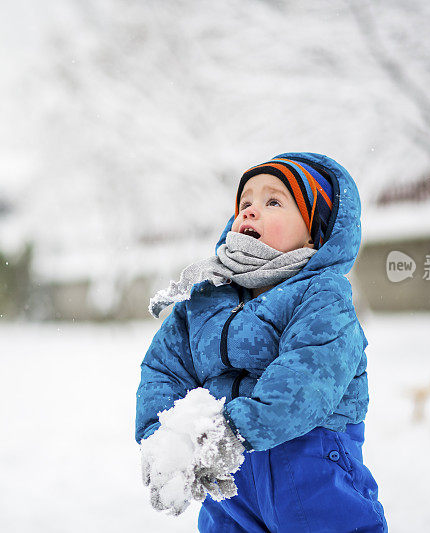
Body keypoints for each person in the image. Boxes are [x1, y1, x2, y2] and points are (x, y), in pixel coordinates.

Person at [135, 152, 387, 532]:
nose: (251, 211)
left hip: (309, 466)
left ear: (314, 233)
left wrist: (234, 431)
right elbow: (163, 367)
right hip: (229, 483)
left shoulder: (321, 296)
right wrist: (163, 442)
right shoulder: (207, 298)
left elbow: (308, 378)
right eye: (245, 203)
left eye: (273, 202)